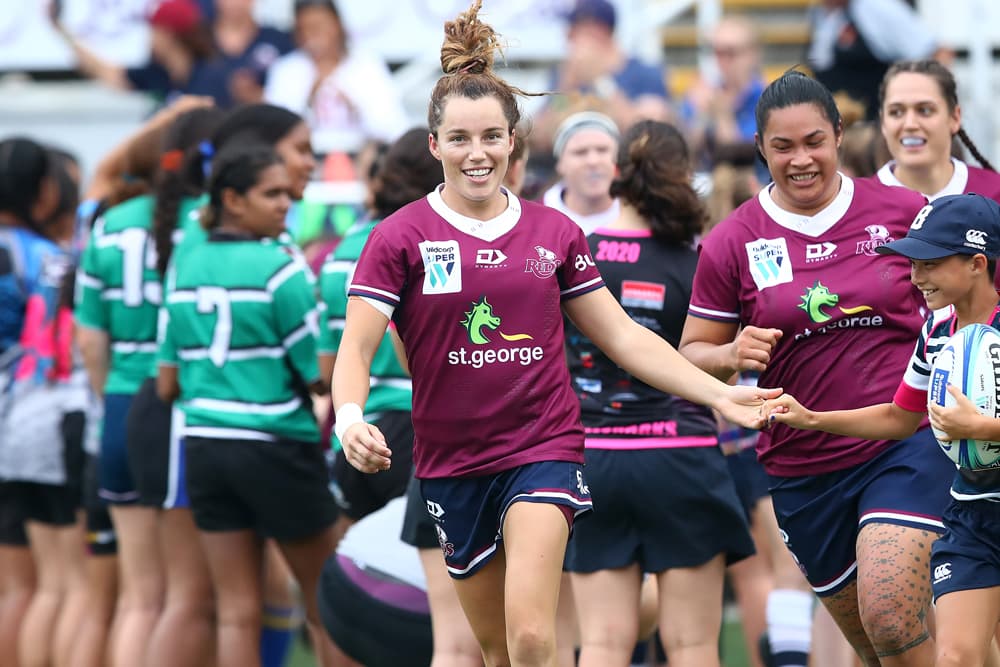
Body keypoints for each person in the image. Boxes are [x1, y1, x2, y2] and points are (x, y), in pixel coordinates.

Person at [331, 3, 777, 666]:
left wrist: (717, 393)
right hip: (450, 462)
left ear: (515, 142)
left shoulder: (555, 233)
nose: (476, 152)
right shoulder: (399, 238)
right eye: (459, 138)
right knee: (497, 650)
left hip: (544, 446)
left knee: (535, 635)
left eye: (490, 136)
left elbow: (625, 338)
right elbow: (357, 348)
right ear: (434, 145)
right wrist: (347, 416)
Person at [679, 70, 951, 666]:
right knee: (882, 647)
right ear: (761, 148)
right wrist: (728, 355)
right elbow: (692, 355)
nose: (801, 160)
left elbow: (969, 308)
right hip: (802, 471)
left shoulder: (907, 214)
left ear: (838, 135)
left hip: (904, 442)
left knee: (889, 607)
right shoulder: (733, 241)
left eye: (813, 142)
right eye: (783, 147)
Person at [761, 192, 1000, 667]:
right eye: (912, 263)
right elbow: (898, 418)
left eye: (930, 263)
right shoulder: (936, 329)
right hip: (971, 512)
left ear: (977, 263)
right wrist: (811, 417)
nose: (915, 277)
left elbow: (972, 427)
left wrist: (983, 428)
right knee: (956, 657)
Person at [562, 119, 755, 667]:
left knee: (600, 643)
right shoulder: (696, 264)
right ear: (683, 178)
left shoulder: (579, 256)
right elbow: (717, 371)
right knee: (692, 645)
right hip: (682, 459)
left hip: (594, 462)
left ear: (619, 173)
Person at [157, 142, 338, 667]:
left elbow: (167, 383)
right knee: (325, 600)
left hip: (206, 445)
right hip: (276, 446)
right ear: (232, 199)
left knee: (237, 609)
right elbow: (319, 376)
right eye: (272, 194)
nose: (286, 204)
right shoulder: (280, 269)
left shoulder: (185, 268)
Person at [530, 0, 671, 156]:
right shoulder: (565, 75)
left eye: (574, 31)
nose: (567, 38)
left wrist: (601, 81)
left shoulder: (644, 73)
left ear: (598, 33)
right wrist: (564, 89)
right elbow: (540, 137)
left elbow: (648, 134)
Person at [264, 0, 408, 147]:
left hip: (361, 157)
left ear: (337, 25)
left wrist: (355, 106)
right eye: (304, 29)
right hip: (307, 160)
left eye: (318, 27)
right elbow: (276, 133)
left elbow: (393, 129)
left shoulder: (366, 66)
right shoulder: (285, 70)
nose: (311, 36)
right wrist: (309, 98)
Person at [50, 0, 223, 107]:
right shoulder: (158, 73)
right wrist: (61, 30)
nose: (149, 36)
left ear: (168, 34)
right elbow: (109, 73)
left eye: (154, 29)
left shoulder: (210, 78)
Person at [875, 59, 1000, 202]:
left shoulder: (994, 195)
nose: (910, 124)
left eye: (925, 110)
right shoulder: (859, 202)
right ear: (883, 121)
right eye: (896, 112)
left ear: (955, 117)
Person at [807, 0, 941, 120]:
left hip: (878, 116)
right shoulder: (828, 14)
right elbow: (820, 62)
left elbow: (931, 50)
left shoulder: (877, 6)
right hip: (842, 118)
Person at [682, 15, 767, 172]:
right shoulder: (704, 93)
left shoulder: (767, 100)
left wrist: (722, 116)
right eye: (716, 52)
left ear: (752, 54)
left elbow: (745, 159)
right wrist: (700, 117)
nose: (721, 61)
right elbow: (685, 156)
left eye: (730, 52)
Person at [541, 111, 621, 235]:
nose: (593, 161)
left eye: (602, 150)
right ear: (560, 163)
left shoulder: (640, 215)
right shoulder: (534, 218)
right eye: (580, 152)